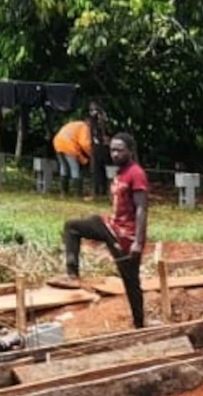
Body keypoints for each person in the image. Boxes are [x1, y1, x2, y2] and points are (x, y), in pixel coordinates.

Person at [57, 132, 150, 329]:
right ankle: (72, 274)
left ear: (130, 151)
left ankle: (139, 324)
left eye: (119, 150)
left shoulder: (136, 173)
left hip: (126, 235)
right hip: (112, 225)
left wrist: (138, 242)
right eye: (112, 150)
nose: (115, 154)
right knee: (73, 226)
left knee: (131, 281)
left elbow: (142, 208)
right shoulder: (120, 172)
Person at [51, 117, 92, 198]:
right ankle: (77, 194)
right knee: (74, 168)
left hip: (58, 144)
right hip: (69, 146)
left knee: (64, 167)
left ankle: (63, 192)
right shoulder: (84, 126)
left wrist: (83, 159)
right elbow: (84, 143)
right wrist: (91, 154)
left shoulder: (73, 124)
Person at [88, 102, 112, 200]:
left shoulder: (102, 122)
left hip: (101, 149)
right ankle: (97, 191)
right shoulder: (92, 123)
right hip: (96, 147)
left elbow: (106, 136)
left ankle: (101, 191)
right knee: (97, 170)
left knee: (100, 170)